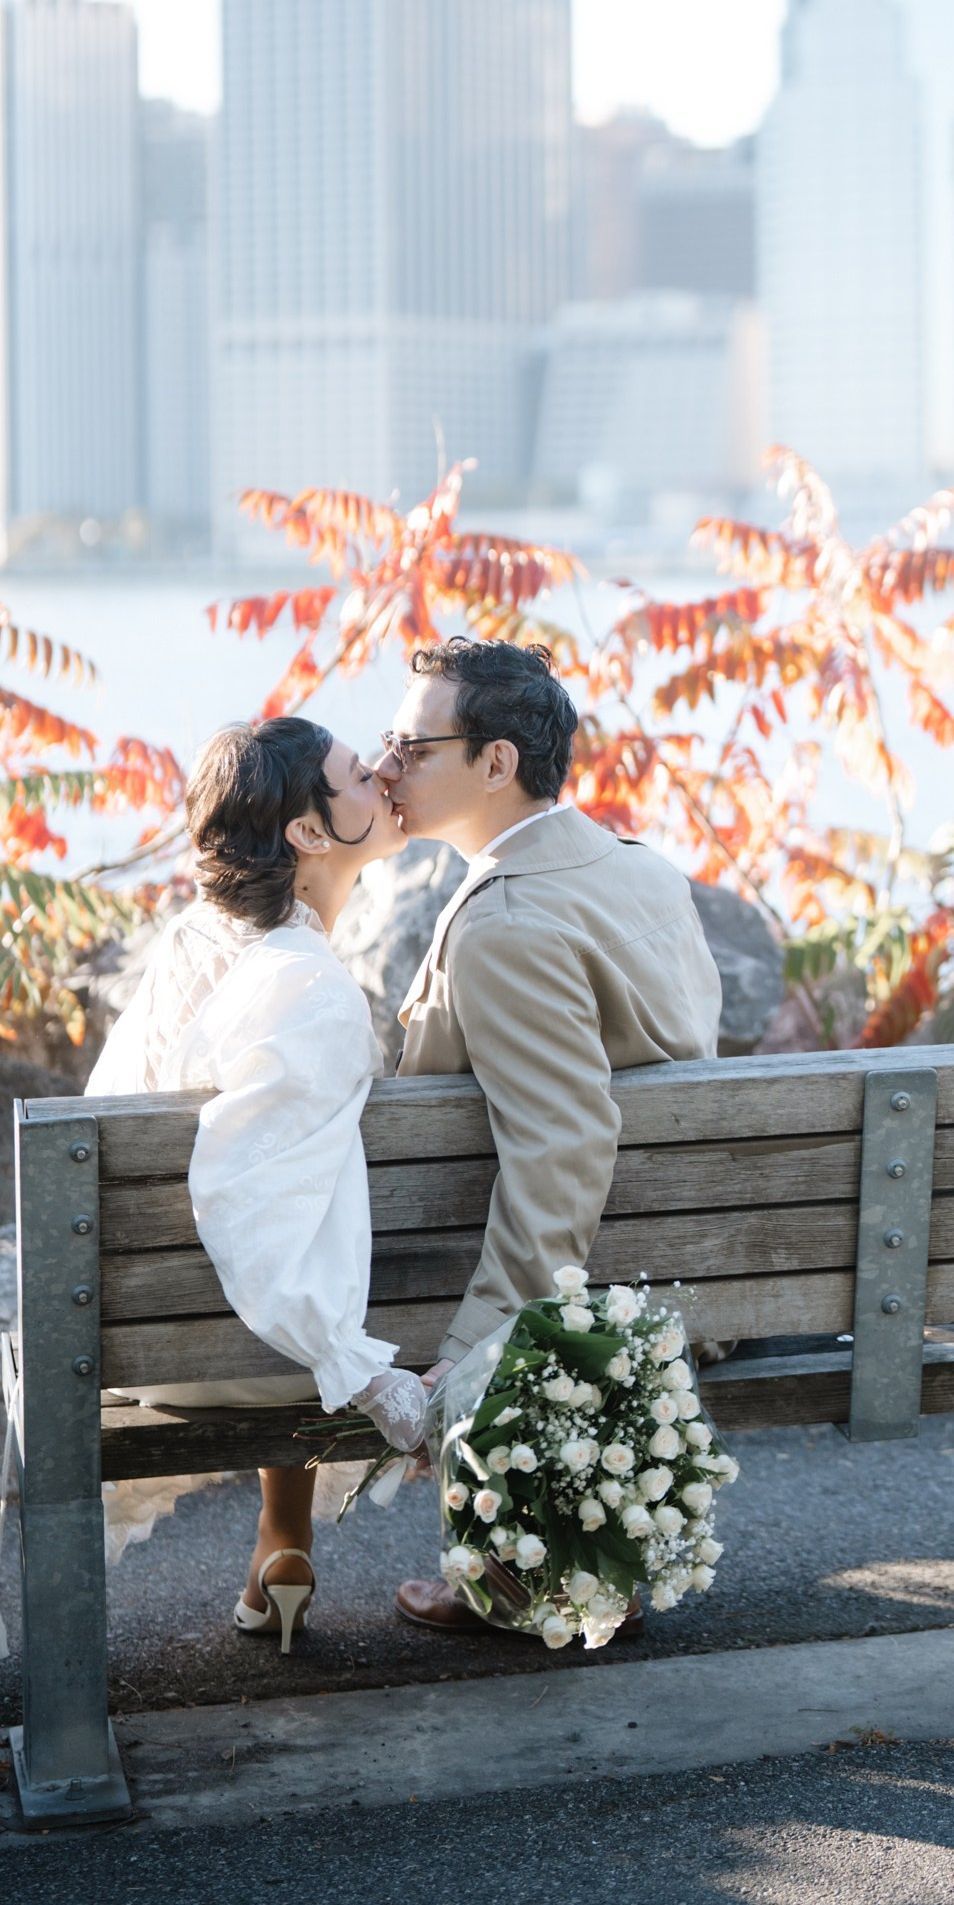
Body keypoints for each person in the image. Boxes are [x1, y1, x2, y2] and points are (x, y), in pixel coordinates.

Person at [377, 636, 721, 1634]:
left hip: (589, 1264)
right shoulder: (638, 867)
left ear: (496, 763)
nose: (386, 767)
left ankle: (527, 1567)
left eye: (411, 749)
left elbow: (560, 1151)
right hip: (687, 1250)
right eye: (386, 745)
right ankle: (540, 1556)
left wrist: (471, 1352)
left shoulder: (507, 923)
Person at [88, 718, 429, 1650]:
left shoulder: (194, 943)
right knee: (316, 1248)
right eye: (359, 773)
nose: (386, 772)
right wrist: (362, 1371)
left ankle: (284, 1537)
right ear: (310, 833)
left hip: (145, 1330)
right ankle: (290, 1535)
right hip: (246, 1351)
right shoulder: (309, 989)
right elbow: (247, 1200)